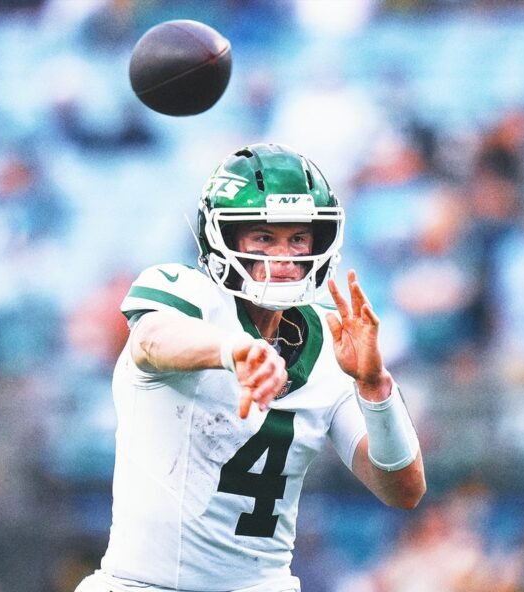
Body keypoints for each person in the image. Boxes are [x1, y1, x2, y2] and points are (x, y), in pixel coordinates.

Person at [75, 143, 426, 592]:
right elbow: (151, 340)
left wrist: (375, 387)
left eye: (297, 239)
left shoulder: (332, 341)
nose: (285, 258)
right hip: (141, 585)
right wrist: (233, 350)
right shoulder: (189, 295)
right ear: (224, 238)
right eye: (264, 238)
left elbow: (403, 490)